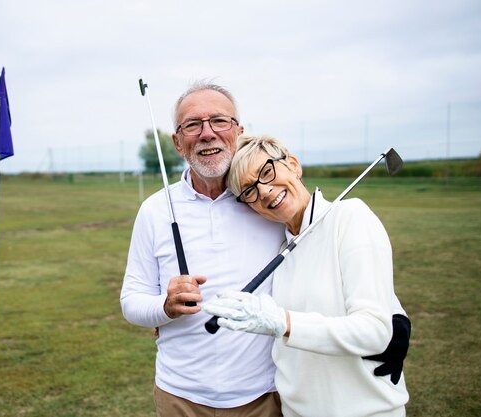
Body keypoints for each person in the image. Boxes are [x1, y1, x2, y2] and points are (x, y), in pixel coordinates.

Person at [120, 81, 410, 416]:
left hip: (263, 397)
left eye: (219, 121)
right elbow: (132, 300)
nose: (207, 133)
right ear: (177, 142)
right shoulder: (157, 210)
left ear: (238, 130)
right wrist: (164, 307)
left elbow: (339, 249)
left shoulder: (269, 208)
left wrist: (396, 316)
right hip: (179, 395)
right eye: (193, 125)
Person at [203, 134, 410, 417]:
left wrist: (284, 323)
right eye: (249, 190)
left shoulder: (350, 217)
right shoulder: (279, 250)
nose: (263, 191)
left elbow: (374, 331)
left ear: (294, 165)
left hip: (366, 411)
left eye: (267, 172)